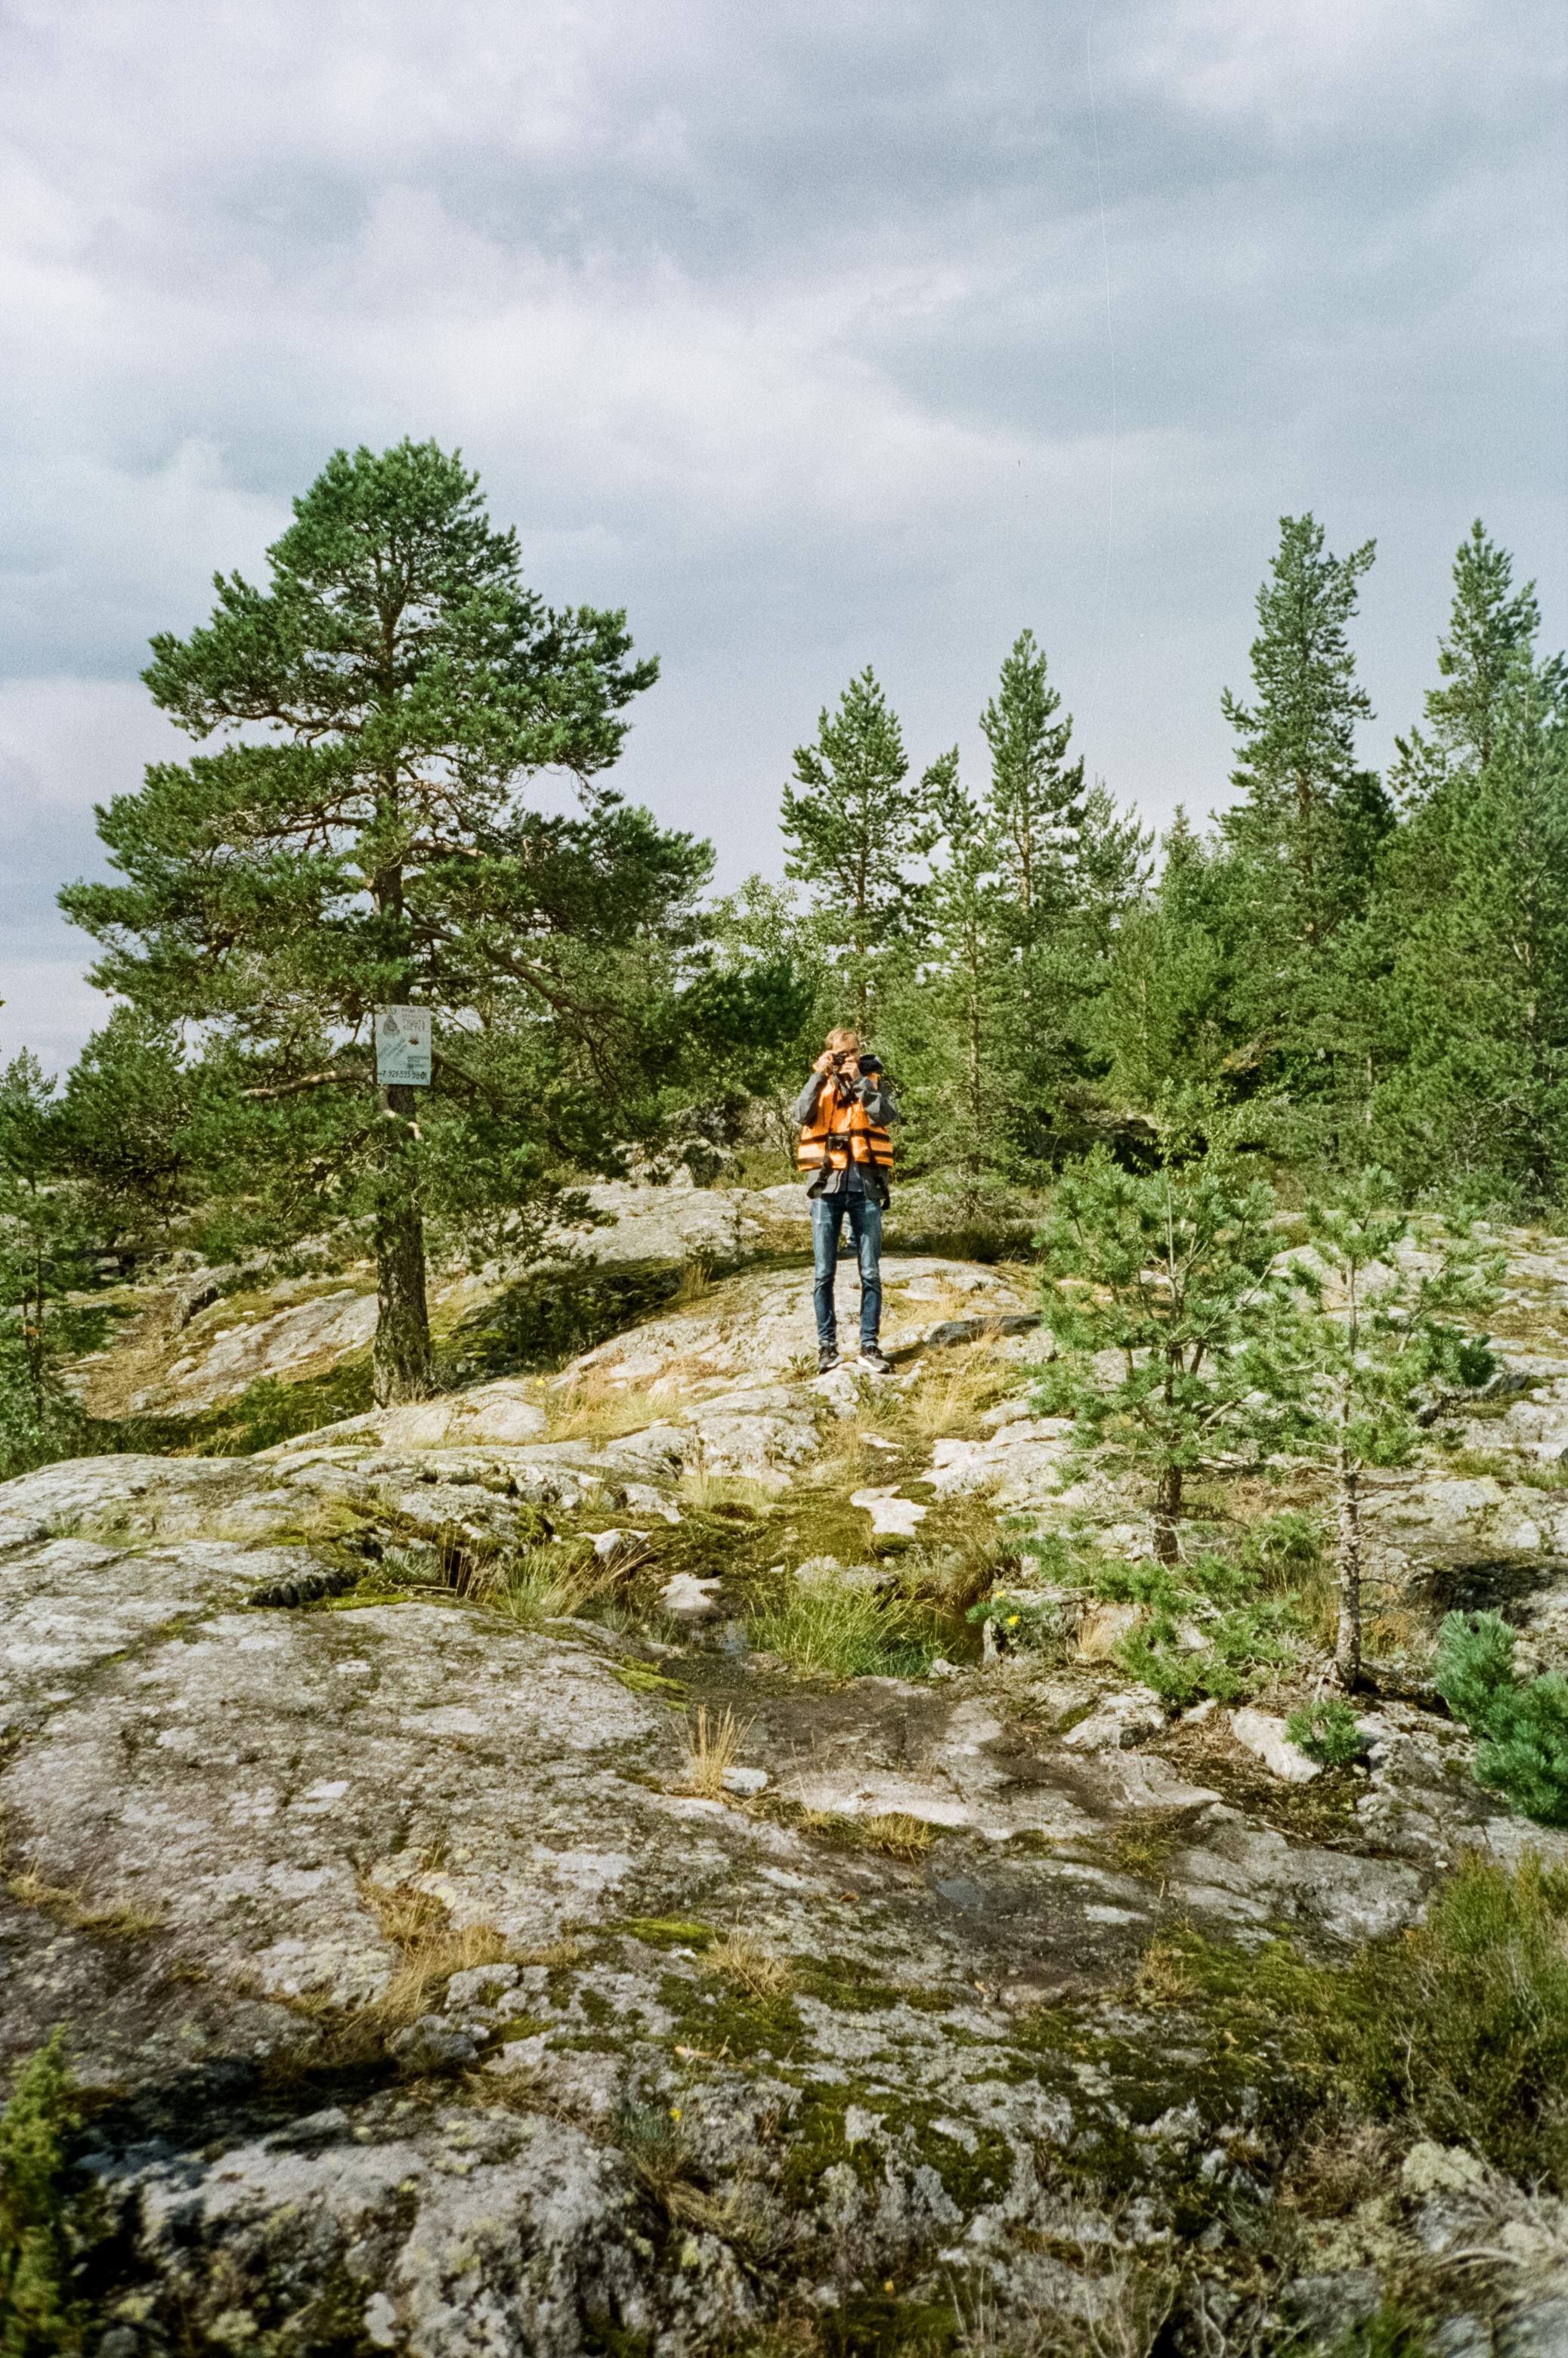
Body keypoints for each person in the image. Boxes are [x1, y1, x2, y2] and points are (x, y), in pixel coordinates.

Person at [793, 1027, 898, 1375]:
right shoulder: (820, 1081)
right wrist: (817, 1074)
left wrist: (861, 1084)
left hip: (866, 1188)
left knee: (870, 1272)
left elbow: (885, 1115)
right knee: (824, 1273)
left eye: (853, 1051)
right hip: (827, 1189)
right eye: (841, 1053)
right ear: (829, 1053)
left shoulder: (873, 1079)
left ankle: (869, 1346)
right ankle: (828, 1348)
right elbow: (801, 1114)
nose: (849, 1057)